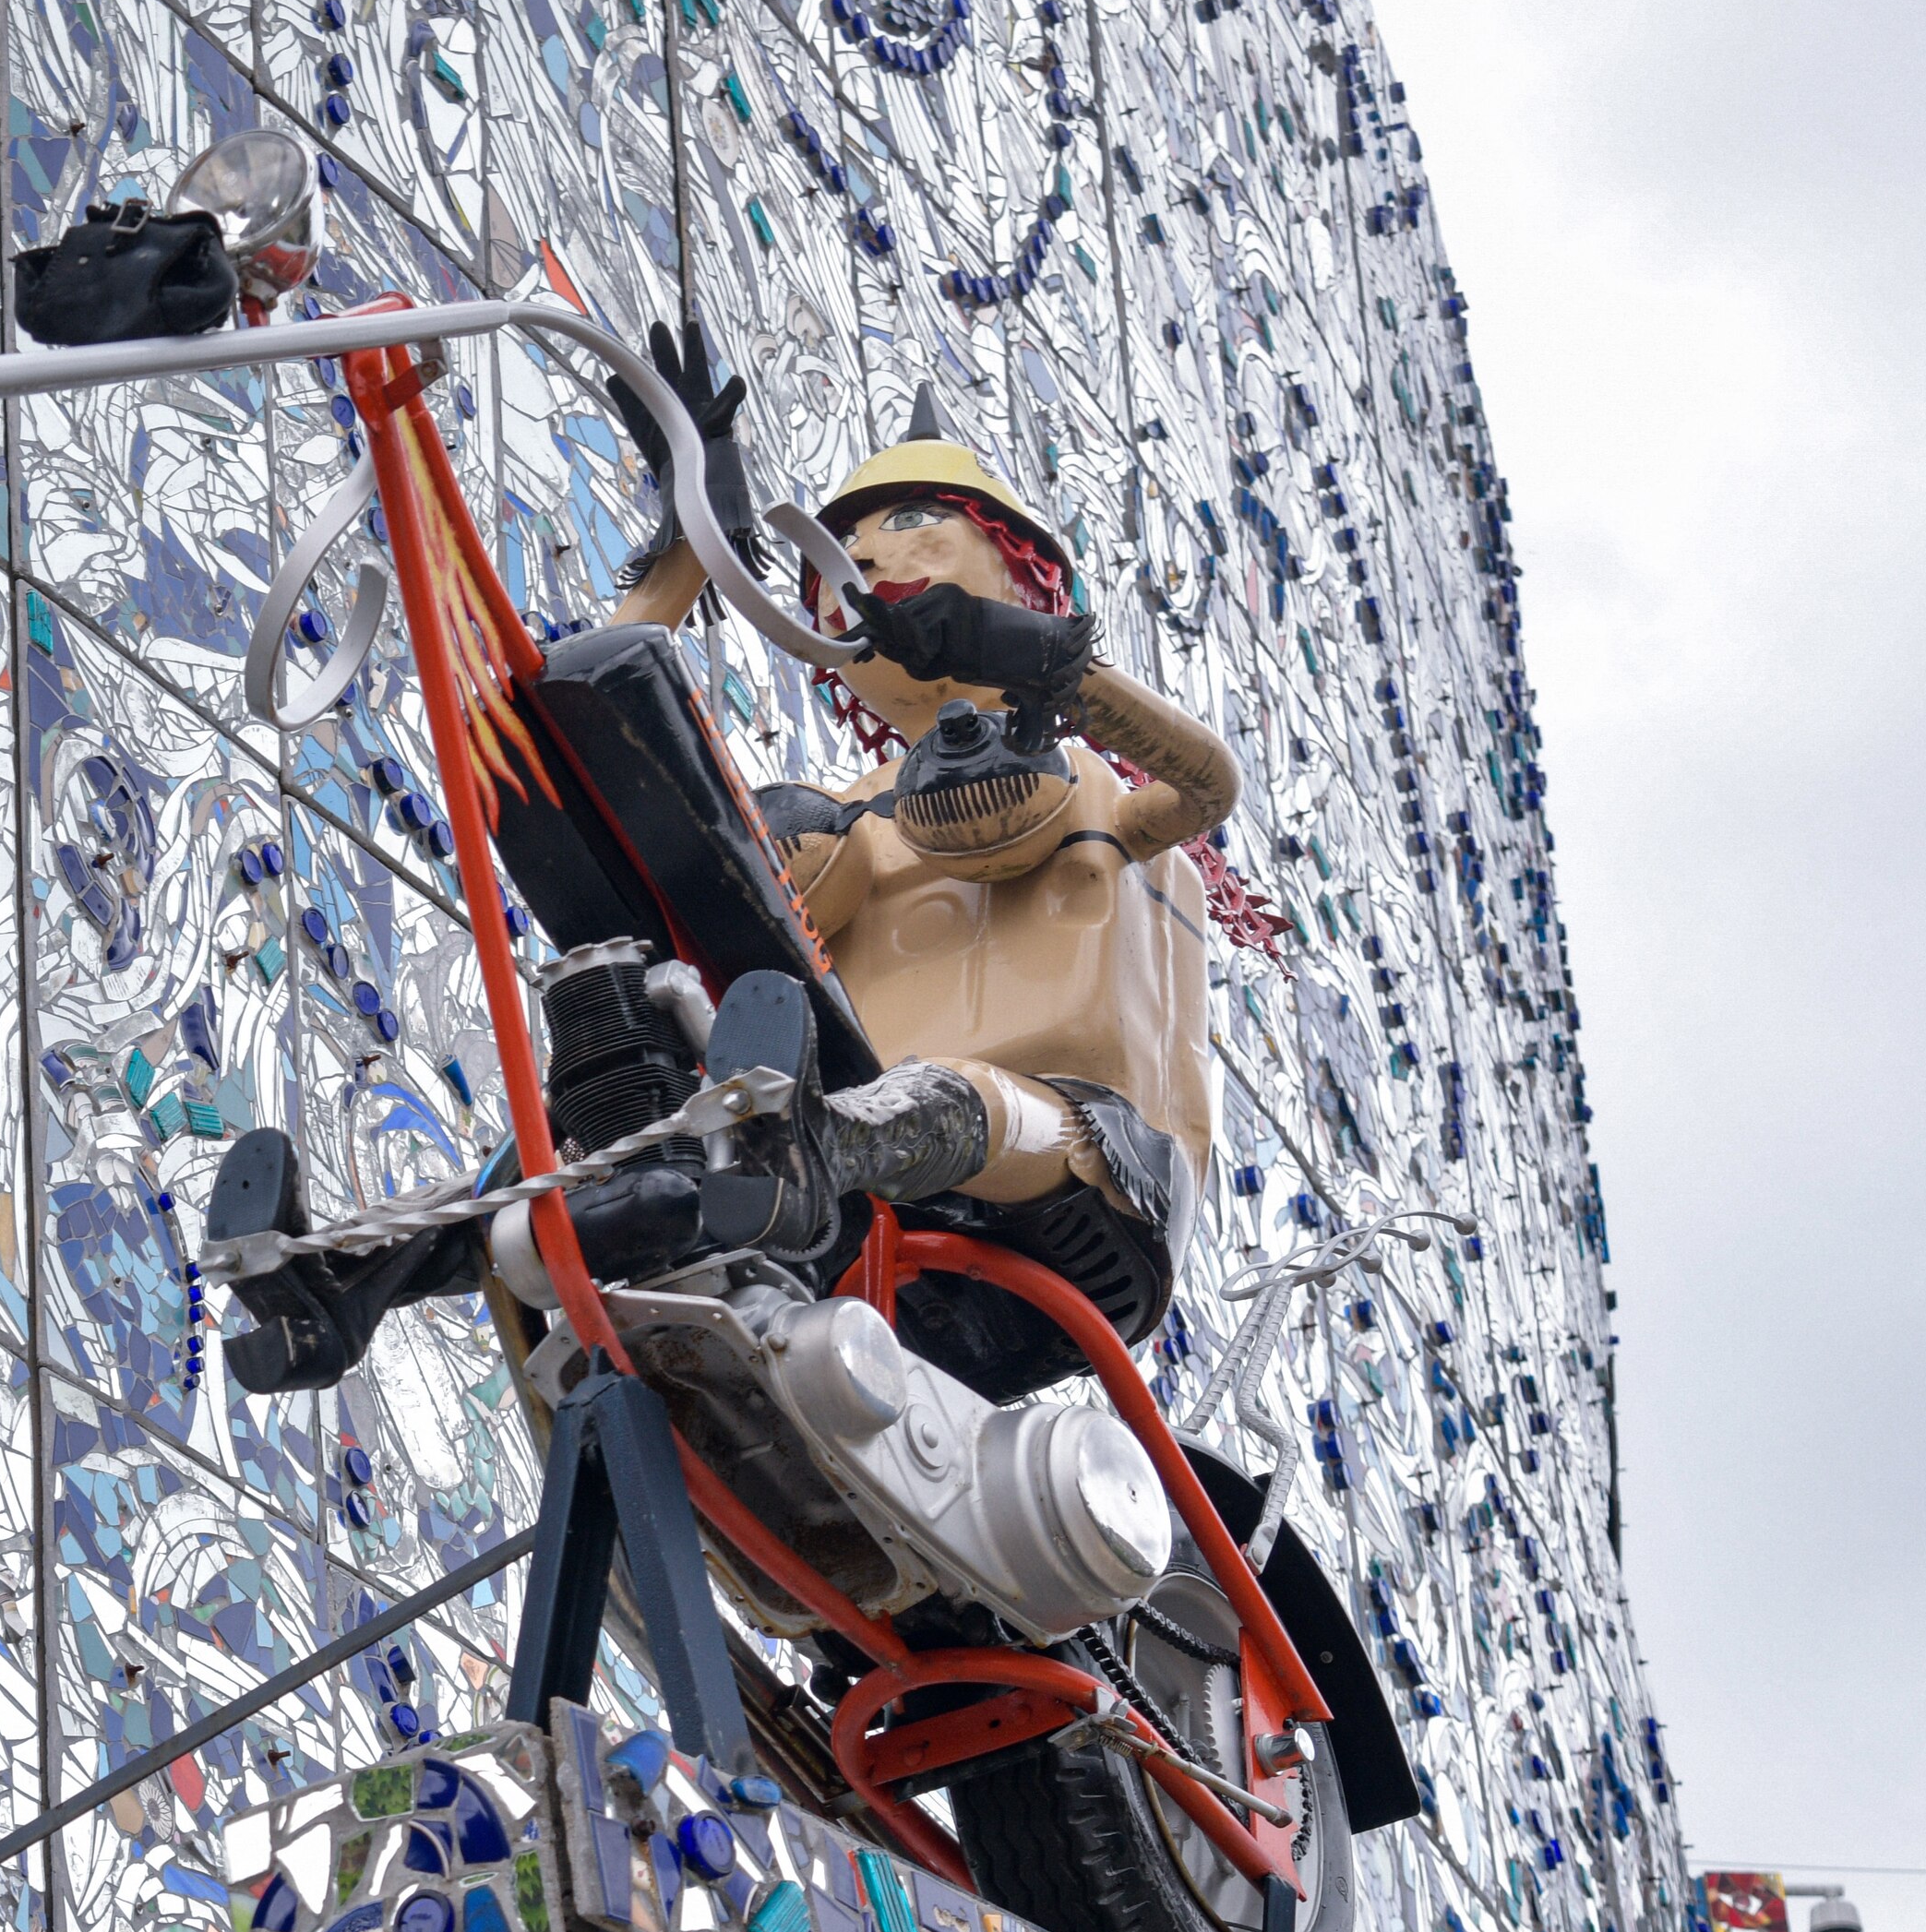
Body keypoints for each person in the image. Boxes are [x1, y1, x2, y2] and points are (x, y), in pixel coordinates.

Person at [211, 342, 1238, 1397]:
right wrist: (691, 544)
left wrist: (1031, 656)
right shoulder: (840, 816)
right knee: (595, 1094)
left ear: (1019, 563)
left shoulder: (1101, 796)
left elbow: (1206, 785)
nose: (868, 557)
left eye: (907, 521)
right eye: (844, 543)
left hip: (1071, 1181)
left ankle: (801, 1150)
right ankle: (335, 1287)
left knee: (950, 1095)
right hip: (817, 1180)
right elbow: (613, 789)